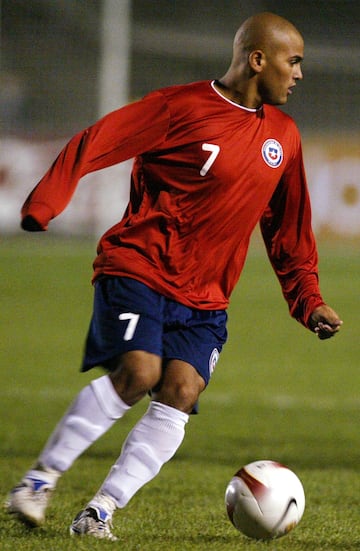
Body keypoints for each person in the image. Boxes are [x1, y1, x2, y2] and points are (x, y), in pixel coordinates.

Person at [7, 12, 342, 541]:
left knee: (181, 390)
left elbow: (290, 231)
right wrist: (44, 205)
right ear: (258, 59)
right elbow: (95, 141)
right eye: (292, 60)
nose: (299, 73)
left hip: (206, 297)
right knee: (139, 373)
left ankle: (99, 512)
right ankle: (37, 482)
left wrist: (309, 300)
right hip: (140, 267)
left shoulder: (284, 137)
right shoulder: (178, 108)